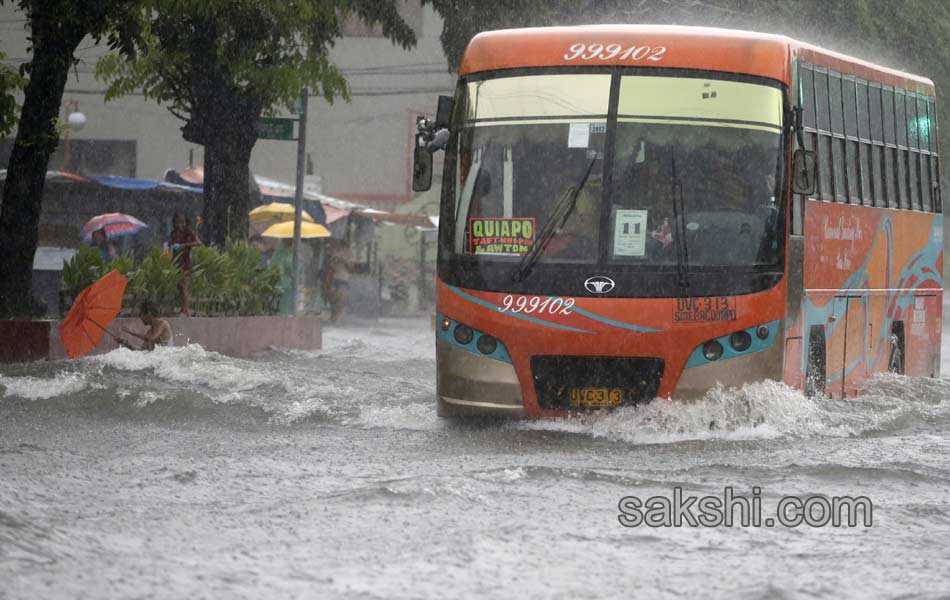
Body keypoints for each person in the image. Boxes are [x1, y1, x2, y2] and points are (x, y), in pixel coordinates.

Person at [169, 213, 202, 316]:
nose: (181, 224)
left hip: (185, 264)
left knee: (184, 286)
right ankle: (183, 308)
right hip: (176, 263)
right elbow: (170, 245)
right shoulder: (173, 233)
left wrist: (184, 245)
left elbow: (198, 243)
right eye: (179, 222)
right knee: (179, 287)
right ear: (174, 223)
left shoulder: (188, 232)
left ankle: (186, 309)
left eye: (183, 222)